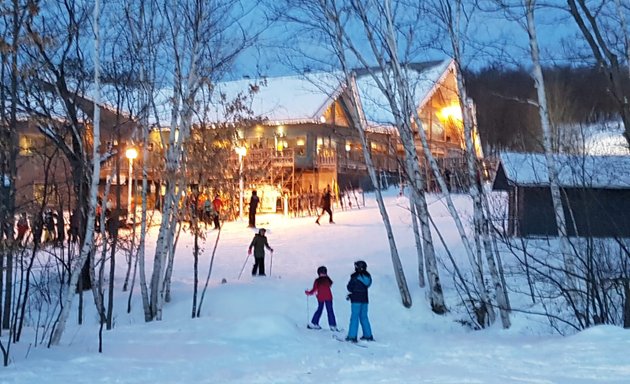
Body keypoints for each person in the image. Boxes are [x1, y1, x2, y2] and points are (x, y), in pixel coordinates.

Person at [345, 260, 373, 342]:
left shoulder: (355, 277)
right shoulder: (368, 277)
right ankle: (368, 335)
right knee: (364, 317)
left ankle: (352, 336)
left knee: (354, 317)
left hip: (356, 300)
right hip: (365, 299)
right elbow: (368, 285)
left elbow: (349, 288)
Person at [305, 266, 339, 331]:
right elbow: (329, 284)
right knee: (330, 311)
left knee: (320, 309)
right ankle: (333, 325)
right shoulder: (328, 280)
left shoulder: (317, 281)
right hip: (328, 297)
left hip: (320, 297)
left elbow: (314, 289)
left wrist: (308, 293)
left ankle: (314, 322)